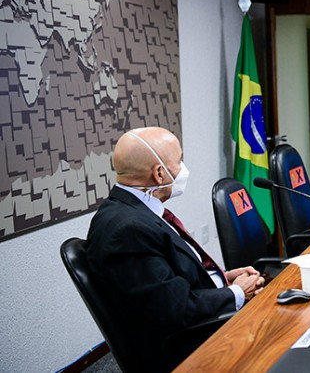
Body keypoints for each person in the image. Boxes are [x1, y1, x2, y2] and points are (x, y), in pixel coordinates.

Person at [86, 126, 266, 372]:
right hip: (190, 347)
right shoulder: (127, 230)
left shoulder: (135, 211)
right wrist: (236, 292)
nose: (184, 168)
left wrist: (222, 277)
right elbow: (174, 311)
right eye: (179, 160)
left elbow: (166, 281)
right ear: (159, 173)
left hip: (200, 322)